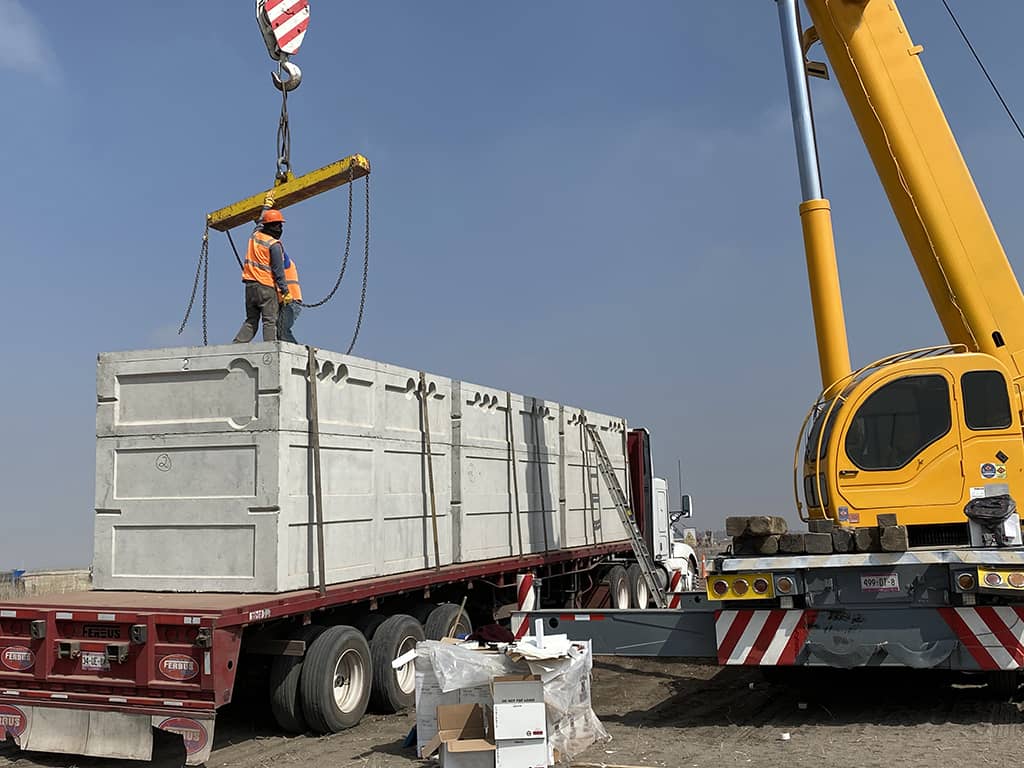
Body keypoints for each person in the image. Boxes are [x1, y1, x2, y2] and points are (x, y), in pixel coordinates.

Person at [233, 203, 292, 343]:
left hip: (250, 287)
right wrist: (285, 291)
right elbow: (279, 271)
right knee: (269, 320)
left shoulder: (255, 236)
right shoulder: (274, 245)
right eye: (278, 225)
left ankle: (237, 345)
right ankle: (270, 350)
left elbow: (261, 221)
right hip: (266, 287)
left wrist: (267, 205)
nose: (279, 228)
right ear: (272, 227)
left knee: (251, 320)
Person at [277, 250, 302, 343]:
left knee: (282, 330)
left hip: (291, 300)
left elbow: (283, 259)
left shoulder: (283, 259)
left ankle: (297, 353)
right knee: (278, 331)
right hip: (283, 301)